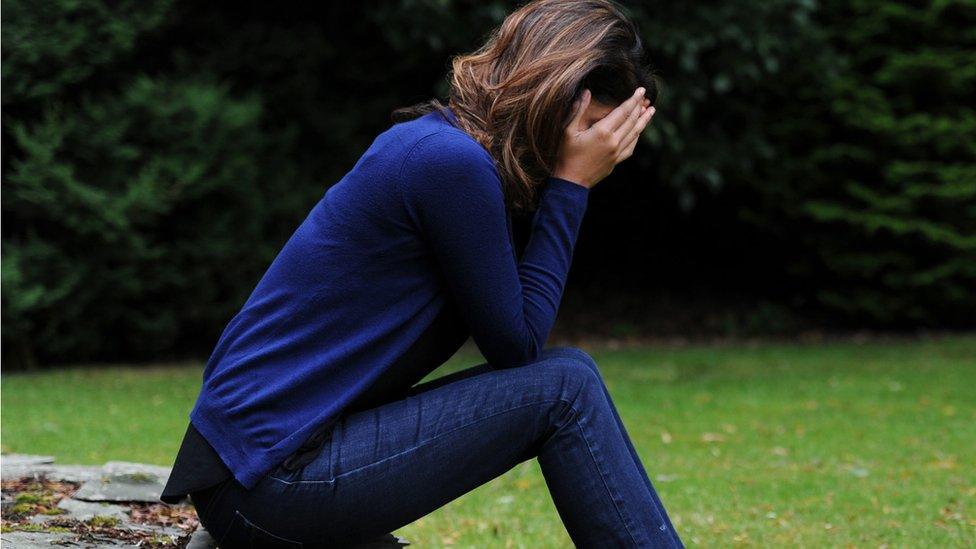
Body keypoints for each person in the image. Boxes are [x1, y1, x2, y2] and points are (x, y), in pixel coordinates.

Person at [160, 0, 683, 546]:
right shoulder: (449, 163)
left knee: (568, 377)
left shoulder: (440, 146)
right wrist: (571, 187)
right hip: (269, 481)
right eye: (594, 127)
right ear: (553, 96)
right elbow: (518, 347)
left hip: (257, 468)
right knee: (566, 386)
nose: (598, 149)